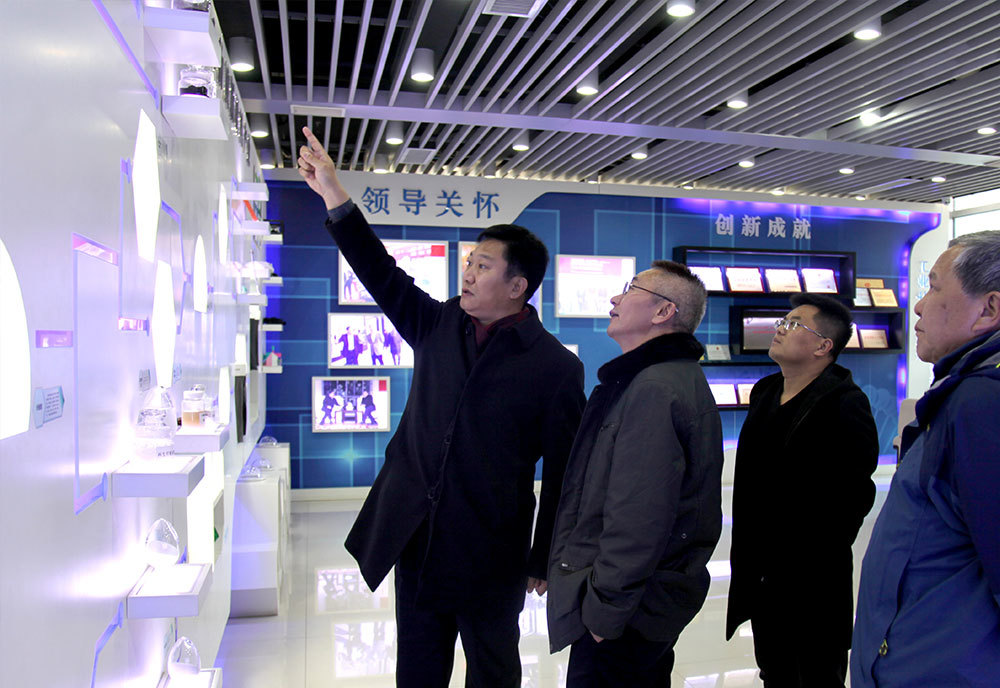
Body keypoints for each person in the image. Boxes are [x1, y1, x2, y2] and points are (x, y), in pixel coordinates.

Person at [298, 126, 586, 688]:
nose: (468, 273)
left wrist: (543, 555)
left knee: (493, 670)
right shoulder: (439, 324)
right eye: (469, 261)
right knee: (418, 669)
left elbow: (562, 472)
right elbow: (380, 272)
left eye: (482, 265)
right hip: (419, 537)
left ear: (518, 286)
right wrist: (334, 194)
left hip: (492, 549)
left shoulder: (554, 367)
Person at [547, 261, 724, 688]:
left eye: (630, 289)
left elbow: (638, 516)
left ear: (663, 312)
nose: (615, 298)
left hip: (624, 614)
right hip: (643, 605)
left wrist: (605, 611)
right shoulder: (660, 379)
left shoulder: (654, 388)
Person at [852, 231, 1000, 687]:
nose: (918, 307)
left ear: (989, 309)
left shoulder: (982, 404)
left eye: (934, 288)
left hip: (938, 668)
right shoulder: (963, 394)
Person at [725, 293, 878, 687]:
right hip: (762, 575)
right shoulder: (764, 392)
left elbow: (856, 495)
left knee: (815, 674)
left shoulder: (846, 403)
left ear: (823, 346)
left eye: (794, 324)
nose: (780, 329)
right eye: (783, 321)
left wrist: (813, 550)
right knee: (774, 672)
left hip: (813, 581)